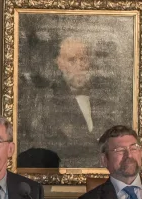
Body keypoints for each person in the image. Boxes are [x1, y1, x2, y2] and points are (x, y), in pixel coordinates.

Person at [17, 36, 129, 169]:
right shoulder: (45, 101)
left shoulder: (106, 99)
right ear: (60, 63)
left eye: (83, 59)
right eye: (72, 60)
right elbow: (43, 151)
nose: (80, 65)